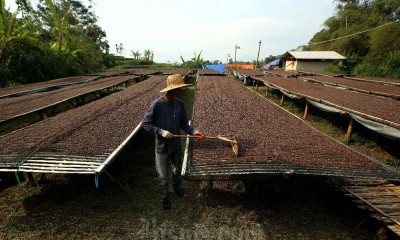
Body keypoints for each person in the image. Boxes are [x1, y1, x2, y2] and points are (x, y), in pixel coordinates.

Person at [142, 74, 205, 210]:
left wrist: (194, 132)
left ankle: (177, 189)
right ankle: (164, 198)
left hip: (175, 145)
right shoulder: (157, 104)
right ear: (171, 89)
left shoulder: (180, 104)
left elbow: (184, 124)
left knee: (176, 171)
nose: (180, 91)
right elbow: (146, 123)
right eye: (178, 88)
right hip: (162, 147)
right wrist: (160, 132)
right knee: (163, 175)